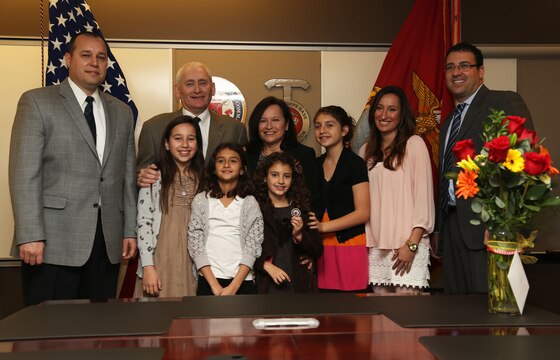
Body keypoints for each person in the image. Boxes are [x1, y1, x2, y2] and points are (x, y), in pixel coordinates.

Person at [9, 32, 137, 305]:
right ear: (68, 59)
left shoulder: (122, 112)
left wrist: (129, 230)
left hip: (107, 244)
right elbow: (24, 174)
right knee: (48, 332)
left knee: (97, 330)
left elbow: (126, 178)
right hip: (51, 242)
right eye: (86, 55)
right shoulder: (37, 102)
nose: (95, 62)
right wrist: (30, 234)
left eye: (101, 57)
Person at [436, 42, 533, 294]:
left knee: (487, 311)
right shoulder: (448, 124)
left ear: (481, 71)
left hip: (488, 230)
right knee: (456, 316)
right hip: (453, 228)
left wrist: (504, 224)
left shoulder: (503, 101)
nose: (456, 72)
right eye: (450, 67)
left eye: (464, 66)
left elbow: (523, 164)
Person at [359, 86, 434, 294]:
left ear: (402, 115)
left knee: (407, 311)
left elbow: (423, 197)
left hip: (408, 244)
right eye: (379, 108)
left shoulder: (414, 144)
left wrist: (411, 244)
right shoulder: (365, 151)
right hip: (375, 246)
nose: (384, 115)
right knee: (380, 315)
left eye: (392, 110)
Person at [136, 62, 248, 187]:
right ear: (177, 91)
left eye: (203, 83)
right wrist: (142, 178)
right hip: (169, 205)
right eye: (189, 84)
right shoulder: (153, 128)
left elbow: (244, 177)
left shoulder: (235, 129)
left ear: (213, 88)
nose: (197, 90)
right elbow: (140, 176)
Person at [135, 116, 205, 297]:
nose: (185, 144)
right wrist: (148, 266)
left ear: (198, 144)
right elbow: (144, 223)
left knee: (190, 316)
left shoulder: (205, 180)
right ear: (166, 144)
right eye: (177, 138)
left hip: (193, 259)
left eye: (191, 138)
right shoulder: (153, 176)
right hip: (161, 256)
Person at [188, 143, 264, 296]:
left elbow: (253, 247)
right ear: (214, 169)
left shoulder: (249, 203)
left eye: (233, 160)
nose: (227, 165)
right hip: (209, 281)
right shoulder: (201, 200)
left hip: (242, 282)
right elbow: (195, 244)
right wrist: (214, 286)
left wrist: (233, 287)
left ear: (242, 169)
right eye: (221, 160)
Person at [309, 106, 370, 292]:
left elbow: (363, 213)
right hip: (320, 248)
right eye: (318, 126)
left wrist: (324, 227)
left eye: (329, 125)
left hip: (349, 244)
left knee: (353, 308)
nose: (322, 131)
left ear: (344, 130)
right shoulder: (314, 164)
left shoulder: (356, 164)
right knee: (324, 309)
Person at [253, 152, 323, 294]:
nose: (281, 181)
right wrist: (265, 265)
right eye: (274, 175)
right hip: (267, 285)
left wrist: (299, 236)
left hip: (298, 285)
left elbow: (317, 249)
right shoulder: (255, 209)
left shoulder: (301, 209)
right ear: (265, 178)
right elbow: (244, 248)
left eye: (286, 176)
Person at [245, 96, 321, 213]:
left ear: (286, 125)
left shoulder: (304, 155)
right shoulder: (246, 155)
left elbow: (314, 199)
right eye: (263, 121)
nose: (269, 126)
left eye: (276, 120)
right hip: (252, 225)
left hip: (292, 225)